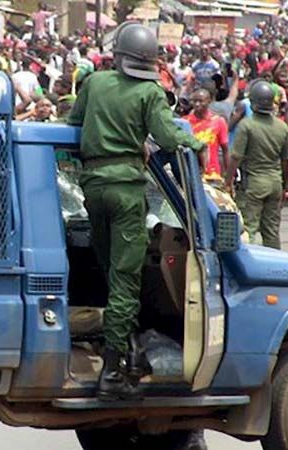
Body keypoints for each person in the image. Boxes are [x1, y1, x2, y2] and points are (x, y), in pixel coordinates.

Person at [67, 23, 204, 401]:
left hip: (92, 189)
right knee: (126, 279)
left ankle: (127, 348)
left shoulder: (93, 83)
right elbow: (170, 138)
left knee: (110, 269)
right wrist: (194, 143)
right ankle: (112, 373)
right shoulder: (149, 92)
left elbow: (73, 125)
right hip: (127, 192)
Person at [226, 80, 288, 249]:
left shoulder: (246, 125)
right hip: (275, 182)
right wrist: (283, 184)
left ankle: (252, 268)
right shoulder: (282, 127)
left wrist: (227, 182)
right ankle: (275, 268)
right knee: (271, 230)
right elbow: (286, 160)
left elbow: (235, 157)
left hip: (254, 182)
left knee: (250, 228)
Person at [185, 88, 230, 178]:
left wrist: (229, 176)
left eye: (201, 101)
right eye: (194, 101)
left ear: (209, 101)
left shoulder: (218, 121)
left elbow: (225, 150)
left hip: (212, 174)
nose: (197, 104)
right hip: (191, 175)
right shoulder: (185, 122)